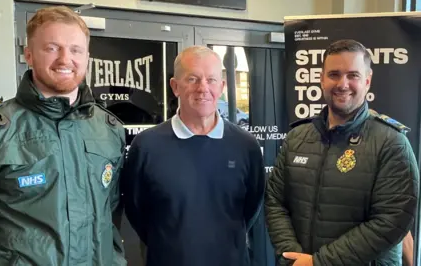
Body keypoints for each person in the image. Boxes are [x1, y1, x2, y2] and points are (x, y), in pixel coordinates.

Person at [0, 6, 127, 265]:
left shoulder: (109, 129)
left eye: (75, 50)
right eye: (52, 48)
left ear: (87, 57)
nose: (65, 59)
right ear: (28, 55)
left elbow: (111, 210)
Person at [264, 39, 419, 266]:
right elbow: (275, 202)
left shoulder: (392, 142)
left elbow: (391, 221)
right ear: (322, 79)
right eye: (334, 74)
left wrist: (318, 263)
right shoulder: (297, 137)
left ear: (367, 81)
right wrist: (291, 256)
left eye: (353, 75)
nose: (342, 84)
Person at [121, 45, 265, 266]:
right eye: (192, 79)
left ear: (222, 86)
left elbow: (251, 210)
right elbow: (136, 211)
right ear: (175, 86)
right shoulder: (147, 146)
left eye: (211, 80)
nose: (203, 88)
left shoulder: (246, 146)